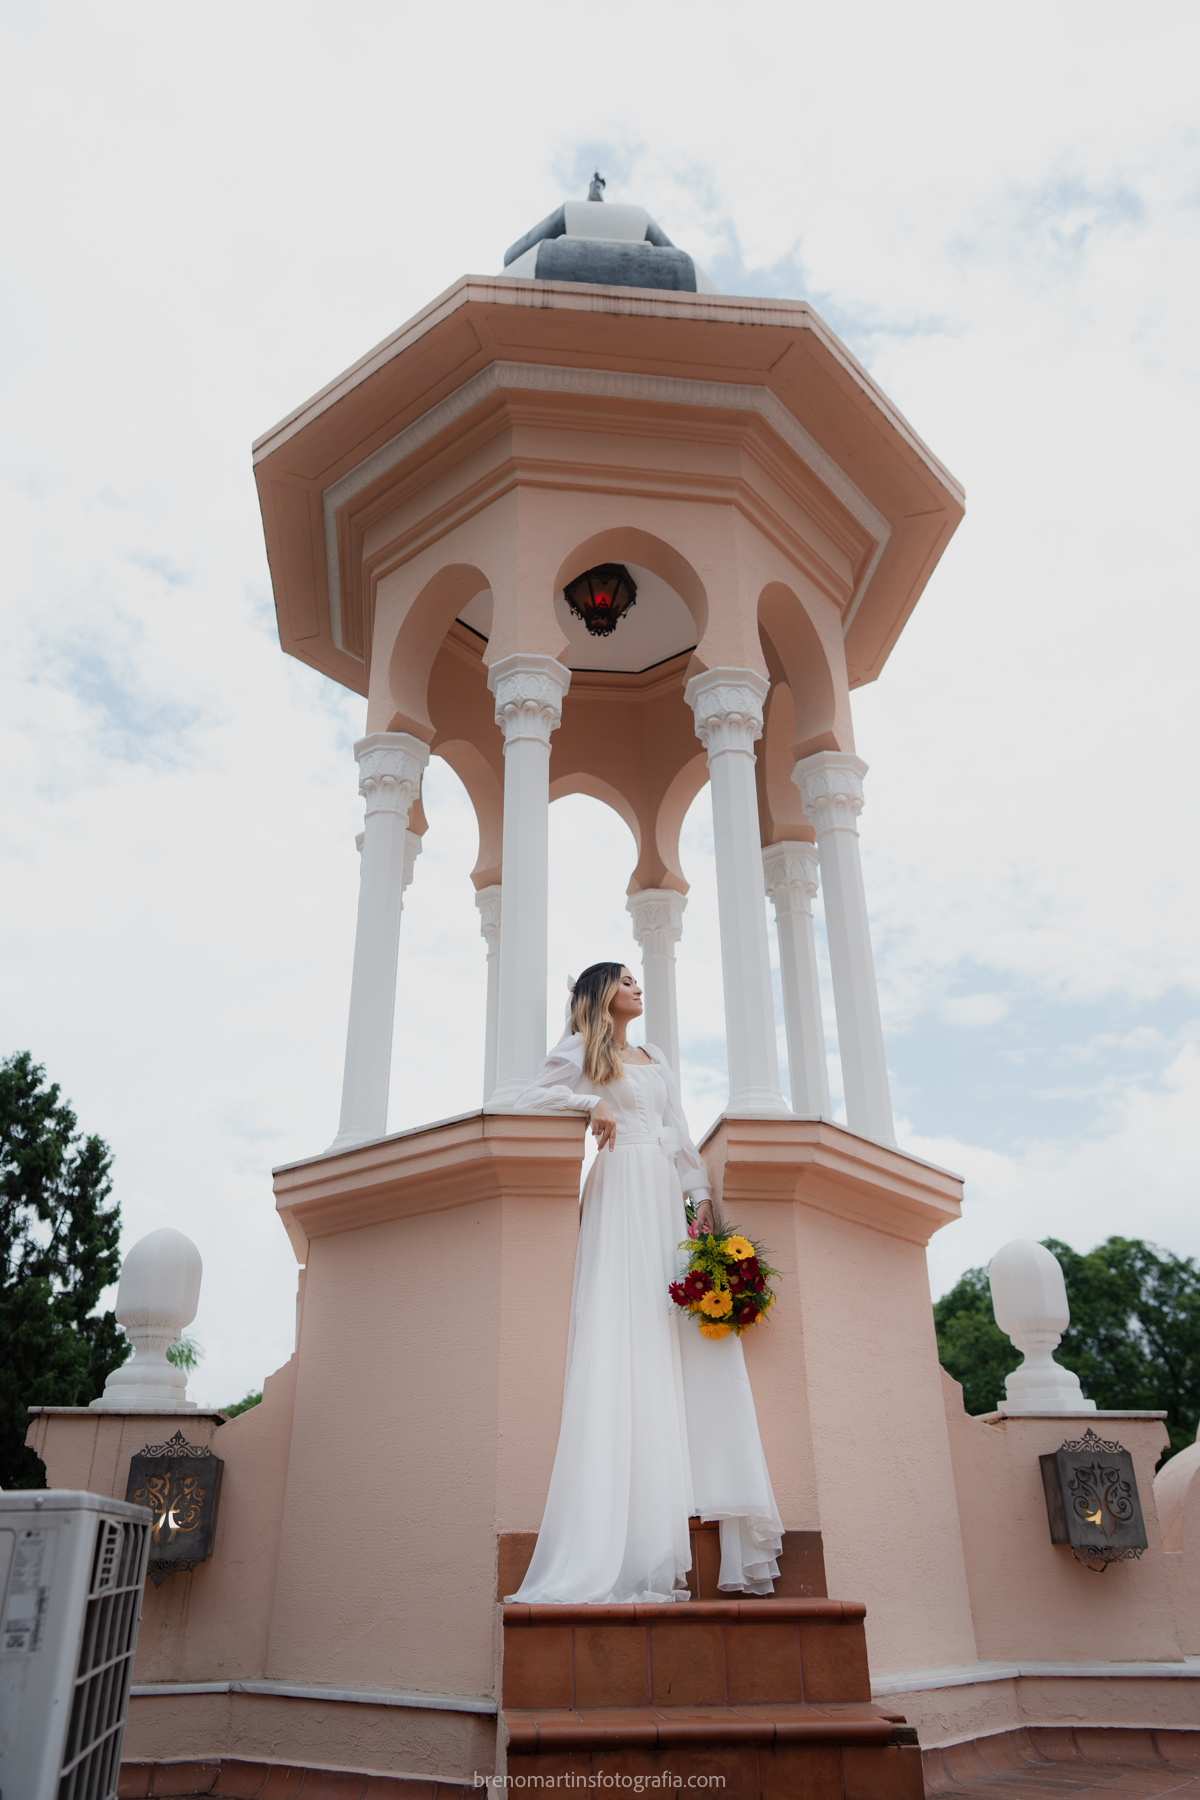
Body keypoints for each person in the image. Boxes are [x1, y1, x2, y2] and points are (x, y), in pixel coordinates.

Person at [509, 962, 783, 1604]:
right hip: (621, 1185)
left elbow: (681, 1132)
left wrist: (697, 1200)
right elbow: (530, 1098)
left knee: (681, 1330)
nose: (638, 988)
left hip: (664, 1190)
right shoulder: (580, 1049)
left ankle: (697, 1488)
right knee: (628, 1324)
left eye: (638, 980)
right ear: (602, 993)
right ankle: (628, 1525)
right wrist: (588, 1102)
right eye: (626, 981)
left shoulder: (653, 1053)